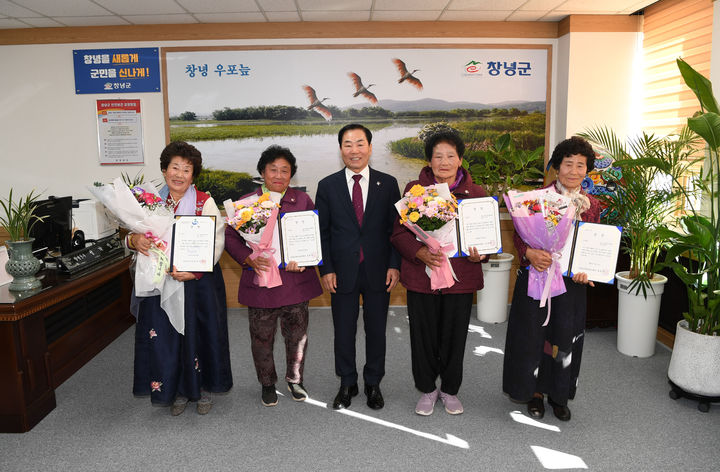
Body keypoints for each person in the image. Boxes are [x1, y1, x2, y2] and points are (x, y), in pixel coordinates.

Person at [127, 141, 232, 415]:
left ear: (193, 175)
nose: (179, 174)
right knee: (166, 336)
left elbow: (216, 242)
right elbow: (129, 235)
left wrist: (195, 270)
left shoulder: (203, 201)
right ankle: (177, 389)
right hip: (160, 280)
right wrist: (132, 239)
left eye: (187, 170)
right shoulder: (148, 202)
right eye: (175, 167)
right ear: (164, 170)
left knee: (201, 334)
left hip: (198, 281)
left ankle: (204, 388)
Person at [503, 136, 601, 422]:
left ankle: (559, 394)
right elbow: (520, 237)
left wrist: (588, 269)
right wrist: (530, 253)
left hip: (572, 283)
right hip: (538, 276)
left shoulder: (592, 205)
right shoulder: (536, 199)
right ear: (556, 167)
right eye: (567, 163)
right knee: (533, 336)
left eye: (580, 165)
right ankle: (533, 392)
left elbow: (594, 243)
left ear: (587, 170)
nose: (573, 170)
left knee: (565, 337)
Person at [390, 130, 488, 416]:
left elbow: (486, 239)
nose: (444, 162)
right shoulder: (414, 191)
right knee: (423, 336)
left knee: (454, 336)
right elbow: (398, 233)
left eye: (450, 156)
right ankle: (427, 389)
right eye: (437, 156)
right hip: (423, 276)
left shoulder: (476, 194)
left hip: (460, 278)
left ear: (460, 160)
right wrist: (419, 252)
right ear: (429, 161)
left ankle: (449, 389)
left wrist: (482, 252)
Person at [225, 145, 323, 407]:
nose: (279, 176)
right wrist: (249, 258)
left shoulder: (302, 201)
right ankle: (267, 383)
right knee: (261, 337)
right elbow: (231, 238)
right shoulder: (246, 204)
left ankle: (295, 380)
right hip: (261, 282)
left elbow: (313, 236)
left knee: (297, 336)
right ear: (262, 172)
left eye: (285, 171)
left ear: (292, 175)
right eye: (273, 170)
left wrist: (303, 260)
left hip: (295, 283)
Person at [315, 123, 401, 410]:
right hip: (341, 272)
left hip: (378, 270)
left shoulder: (388, 183)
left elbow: (395, 230)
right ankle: (347, 382)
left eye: (360, 143)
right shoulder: (327, 186)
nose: (355, 150)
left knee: (377, 330)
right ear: (341, 150)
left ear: (370, 147)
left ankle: (373, 382)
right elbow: (322, 232)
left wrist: (394, 265)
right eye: (348, 144)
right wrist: (326, 269)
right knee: (343, 331)